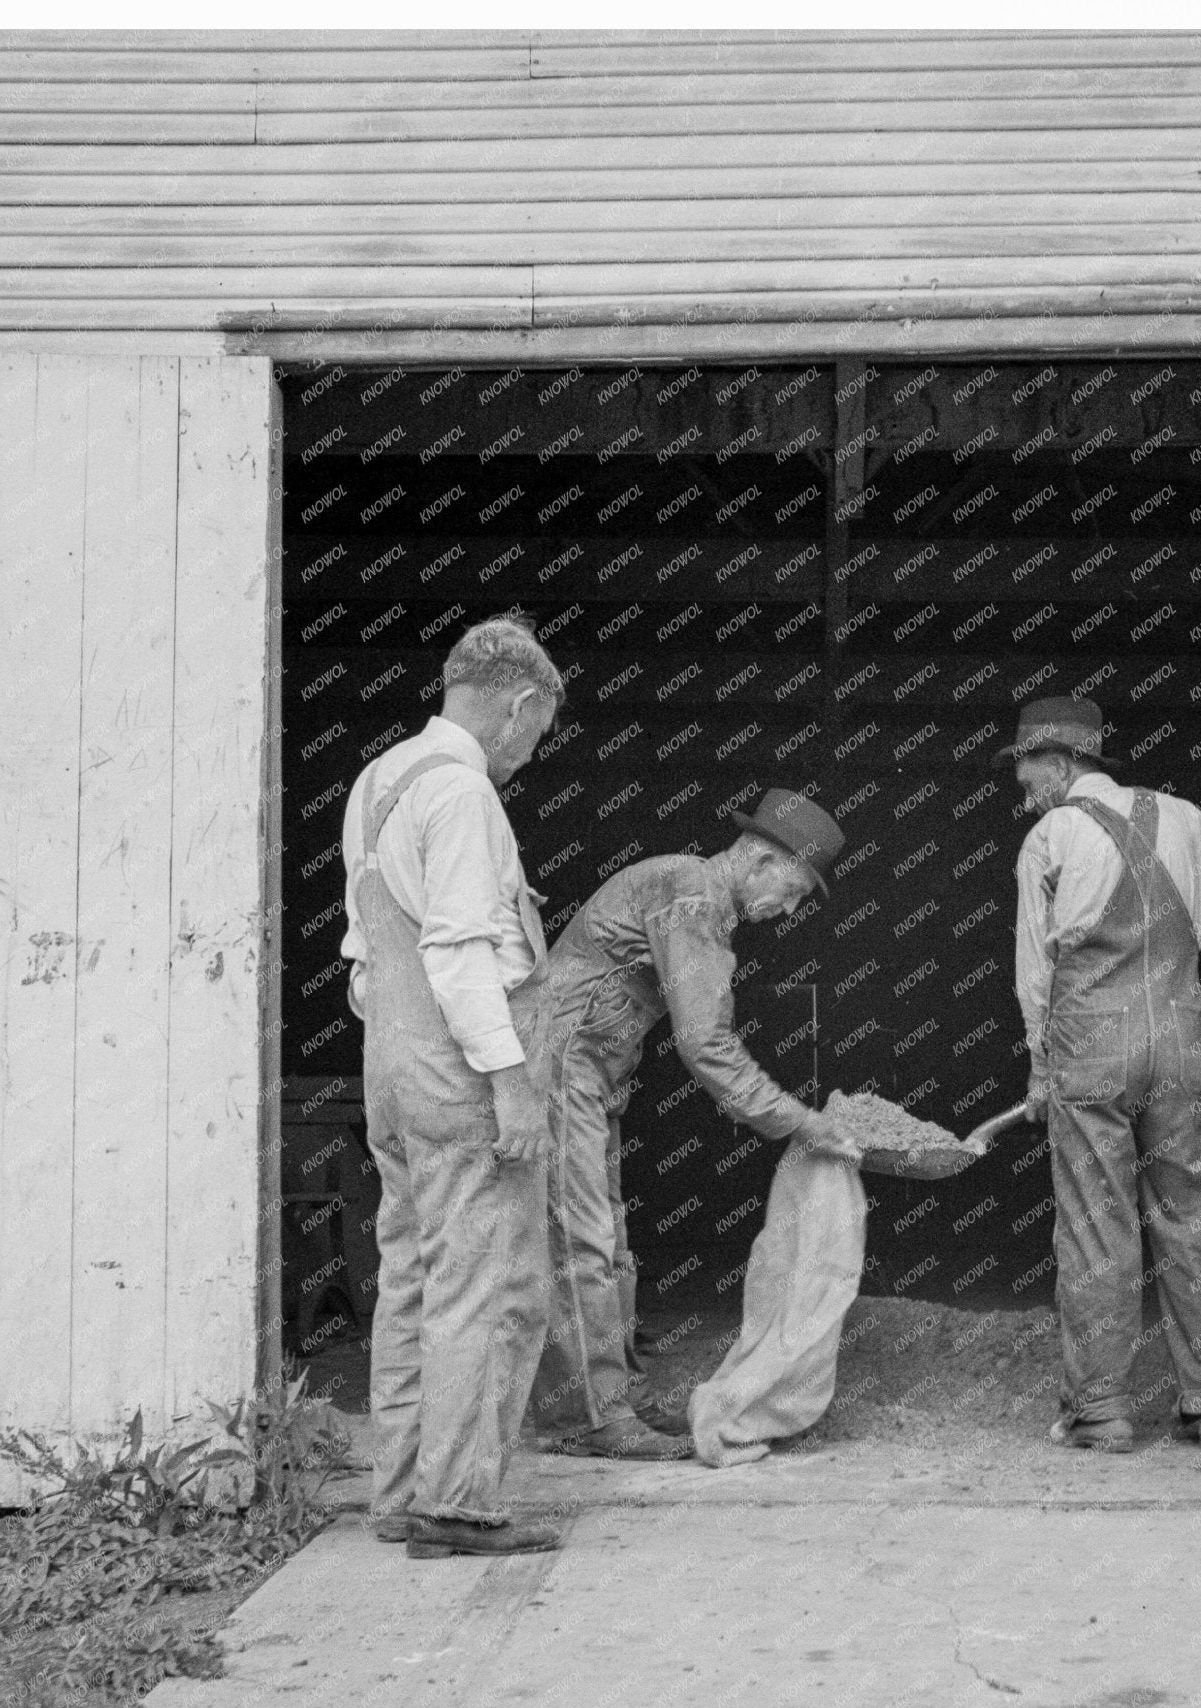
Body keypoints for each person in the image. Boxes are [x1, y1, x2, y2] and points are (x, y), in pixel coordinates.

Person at [534, 789, 864, 1457]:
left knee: (607, 1239)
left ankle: (614, 1396)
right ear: (761, 861)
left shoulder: (691, 891)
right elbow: (705, 1041)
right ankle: (588, 1419)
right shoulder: (692, 895)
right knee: (581, 1241)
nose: (788, 911)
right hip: (560, 1067)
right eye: (793, 891)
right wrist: (799, 1121)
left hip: (588, 1071)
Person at [1002, 695, 1201, 1455]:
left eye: (1026, 766)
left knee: (1096, 1226)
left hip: (1090, 1047)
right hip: (1182, 1042)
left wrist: (1040, 1068)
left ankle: (1101, 1411)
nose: (1020, 784)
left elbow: (1035, 976)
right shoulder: (1187, 817)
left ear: (1063, 762)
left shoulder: (1048, 836)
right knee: (1191, 1221)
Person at [339, 614, 566, 1557]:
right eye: (537, 733)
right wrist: (509, 1082)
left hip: (390, 1065)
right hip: (460, 1069)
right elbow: (462, 953)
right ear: (519, 705)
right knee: (490, 1281)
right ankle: (457, 1504)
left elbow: (364, 957)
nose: (530, 754)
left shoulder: (378, 780)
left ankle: (399, 1492)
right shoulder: (465, 794)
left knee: (412, 1277)